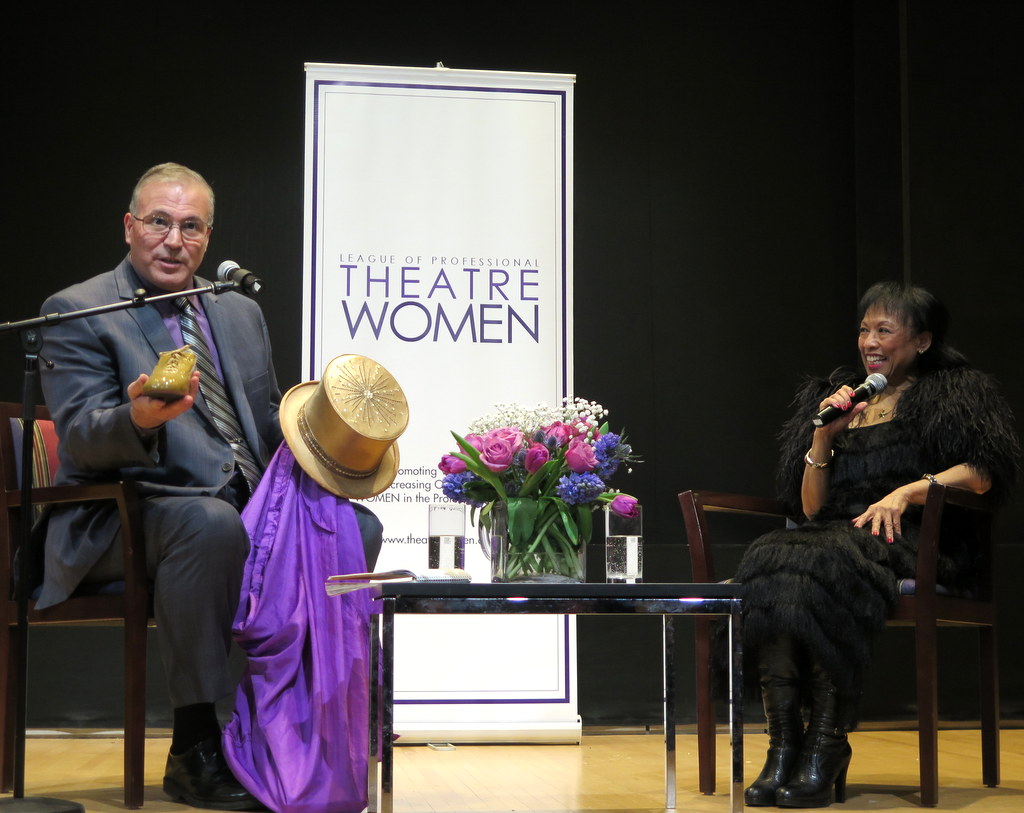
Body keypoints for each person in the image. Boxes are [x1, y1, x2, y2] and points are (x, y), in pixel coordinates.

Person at [37, 162, 281, 810]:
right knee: (208, 523)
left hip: (233, 508)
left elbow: (264, 422)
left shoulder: (237, 312)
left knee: (349, 524)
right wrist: (138, 418)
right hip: (124, 514)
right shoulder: (81, 309)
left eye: (191, 226)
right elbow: (83, 436)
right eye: (159, 222)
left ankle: (296, 730)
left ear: (207, 236)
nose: (175, 239)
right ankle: (195, 745)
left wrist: (327, 441)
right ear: (130, 226)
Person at [733, 281, 1019, 808]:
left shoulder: (953, 392)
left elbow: (982, 473)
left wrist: (910, 491)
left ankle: (825, 745)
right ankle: (783, 746)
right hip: (836, 537)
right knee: (770, 557)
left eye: (884, 330)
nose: (869, 340)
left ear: (922, 341)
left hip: (913, 540)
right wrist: (823, 438)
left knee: (822, 562)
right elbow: (811, 509)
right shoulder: (844, 398)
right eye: (864, 329)